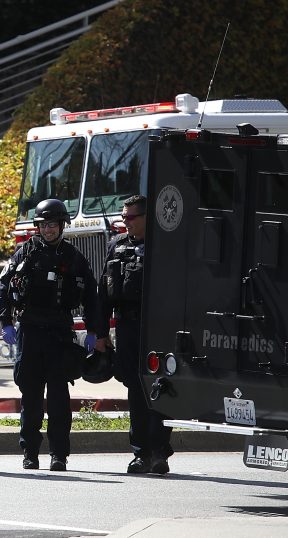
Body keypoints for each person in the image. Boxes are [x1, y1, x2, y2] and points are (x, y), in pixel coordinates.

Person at [0, 198, 99, 471]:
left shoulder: (73, 257)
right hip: (29, 332)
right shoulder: (24, 253)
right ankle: (30, 452)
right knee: (30, 396)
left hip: (59, 334)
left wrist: (94, 329)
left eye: (53, 225)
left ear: (62, 225)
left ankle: (59, 455)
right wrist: (5, 321)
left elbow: (90, 295)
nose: (48, 230)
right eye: (43, 225)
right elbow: (4, 286)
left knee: (58, 398)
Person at [95, 195, 173, 475]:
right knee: (135, 390)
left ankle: (160, 452)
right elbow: (103, 293)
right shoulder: (116, 245)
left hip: (158, 328)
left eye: (131, 217)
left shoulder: (164, 245)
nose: (125, 222)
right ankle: (141, 453)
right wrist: (101, 333)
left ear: (146, 218)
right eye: (123, 217)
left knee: (161, 390)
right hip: (127, 327)